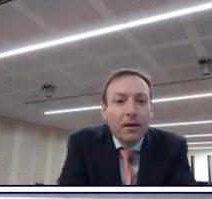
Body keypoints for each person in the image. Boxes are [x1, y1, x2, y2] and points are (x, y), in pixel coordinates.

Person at [58, 68, 195, 185]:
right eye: (119, 101)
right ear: (104, 110)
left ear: (151, 109)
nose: (132, 111)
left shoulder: (173, 145)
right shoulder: (82, 143)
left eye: (141, 101)